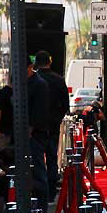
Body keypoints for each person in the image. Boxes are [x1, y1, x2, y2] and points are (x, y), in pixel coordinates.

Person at [35, 50, 70, 202]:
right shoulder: (59, 79)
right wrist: (57, 118)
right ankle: (50, 192)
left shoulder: (34, 80)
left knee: (37, 160)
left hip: (37, 127)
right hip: (53, 125)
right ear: (49, 61)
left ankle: (40, 192)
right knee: (51, 157)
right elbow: (65, 104)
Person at [27, 57, 52, 209]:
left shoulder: (39, 84)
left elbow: (39, 111)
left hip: (36, 134)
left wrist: (30, 130)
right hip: (35, 133)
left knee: (38, 171)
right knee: (37, 171)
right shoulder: (34, 83)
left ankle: (42, 208)